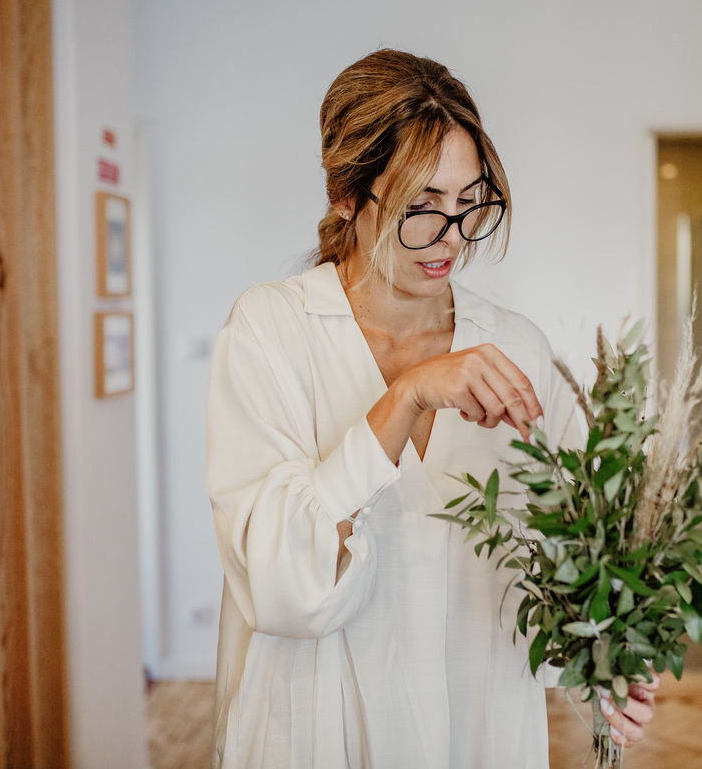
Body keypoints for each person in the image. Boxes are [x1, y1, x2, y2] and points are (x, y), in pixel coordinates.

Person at [206, 49, 657, 769]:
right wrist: (407, 394)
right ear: (345, 194)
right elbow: (279, 585)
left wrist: (606, 661)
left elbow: (568, 562)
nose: (451, 236)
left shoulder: (516, 347)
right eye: (420, 207)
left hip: (477, 727)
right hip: (314, 727)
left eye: (470, 201)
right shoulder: (271, 331)